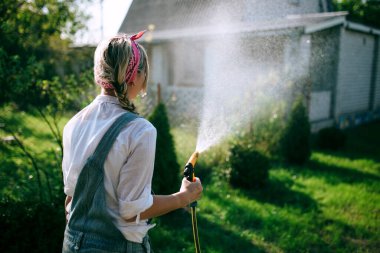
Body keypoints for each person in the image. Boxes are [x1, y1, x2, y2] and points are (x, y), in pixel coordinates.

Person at [62, 31, 203, 253]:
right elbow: (131, 211)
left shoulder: (74, 123)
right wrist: (183, 197)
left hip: (71, 243)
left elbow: (70, 199)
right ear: (136, 76)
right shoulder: (140, 131)